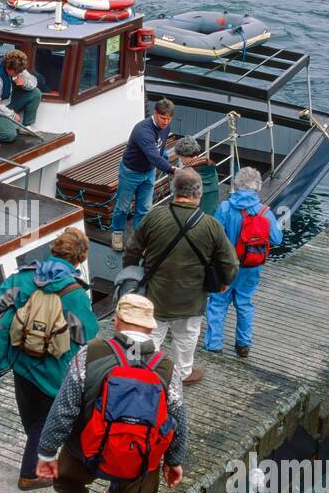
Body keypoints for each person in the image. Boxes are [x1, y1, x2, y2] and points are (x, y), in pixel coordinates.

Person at [35, 294, 188, 493]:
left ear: (117, 321)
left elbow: (64, 409)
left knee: (67, 483)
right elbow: (179, 418)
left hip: (85, 452)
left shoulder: (88, 354)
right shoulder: (167, 367)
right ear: (149, 328)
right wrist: (174, 460)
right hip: (140, 462)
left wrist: (47, 452)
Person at [0, 227, 100, 491]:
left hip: (20, 362)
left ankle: (38, 454)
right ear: (78, 259)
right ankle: (30, 474)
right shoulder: (74, 292)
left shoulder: (24, 277)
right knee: (44, 420)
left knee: (32, 417)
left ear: (54, 249)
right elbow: (85, 332)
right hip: (54, 368)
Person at [123, 167, 239, 384]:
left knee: (151, 335)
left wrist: (132, 273)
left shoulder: (155, 216)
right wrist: (224, 282)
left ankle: (146, 372)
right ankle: (183, 373)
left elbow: (132, 250)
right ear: (200, 194)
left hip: (155, 295)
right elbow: (230, 263)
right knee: (186, 338)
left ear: (172, 190)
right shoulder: (210, 225)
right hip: (191, 298)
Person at [206, 166, 283, 358]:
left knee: (217, 303)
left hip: (225, 266)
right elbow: (276, 239)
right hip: (250, 267)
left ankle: (214, 345)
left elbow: (214, 237)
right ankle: (243, 345)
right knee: (245, 304)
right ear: (257, 186)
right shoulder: (265, 212)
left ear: (237, 185)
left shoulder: (224, 208)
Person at [110, 98, 201, 252]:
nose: (166, 122)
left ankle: (139, 237)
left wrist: (164, 156)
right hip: (131, 172)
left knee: (144, 208)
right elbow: (152, 155)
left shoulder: (165, 126)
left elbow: (159, 147)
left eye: (168, 118)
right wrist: (173, 170)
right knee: (123, 207)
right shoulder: (142, 131)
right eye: (163, 118)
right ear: (155, 113)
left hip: (149, 172)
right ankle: (117, 233)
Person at [0, 49, 40, 144]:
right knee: (10, 135)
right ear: (10, 69)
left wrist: (24, 83)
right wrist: (13, 115)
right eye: (17, 72)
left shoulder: (17, 67)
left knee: (35, 93)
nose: (19, 74)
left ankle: (27, 126)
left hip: (6, 102)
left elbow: (34, 82)